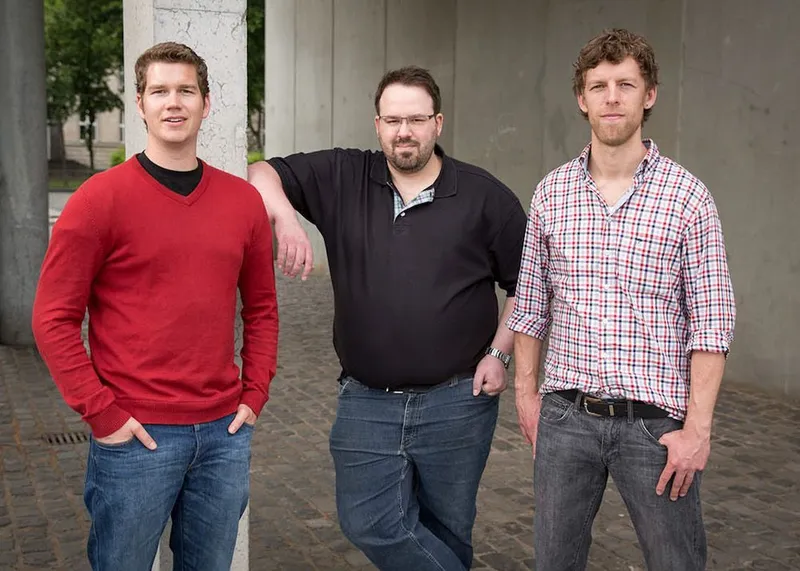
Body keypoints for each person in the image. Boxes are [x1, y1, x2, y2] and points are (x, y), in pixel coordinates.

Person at [248, 65, 526, 570]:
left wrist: (499, 352)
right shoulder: (342, 175)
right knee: (367, 521)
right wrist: (286, 216)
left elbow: (527, 284)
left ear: (437, 123)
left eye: (416, 120)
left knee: (448, 528)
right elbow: (260, 172)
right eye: (393, 120)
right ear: (377, 124)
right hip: (366, 401)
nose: (404, 132)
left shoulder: (487, 198)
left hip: (458, 401)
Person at [31, 42, 278, 571]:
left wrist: (254, 393)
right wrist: (101, 413)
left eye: (186, 90)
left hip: (223, 435)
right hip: (135, 435)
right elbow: (52, 317)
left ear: (206, 104)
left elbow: (261, 310)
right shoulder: (99, 200)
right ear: (139, 104)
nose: (174, 102)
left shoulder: (242, 202)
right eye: (159, 91)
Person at [508, 28, 736, 571]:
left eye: (626, 85)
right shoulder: (551, 193)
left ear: (649, 94)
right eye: (599, 85)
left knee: (676, 563)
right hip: (566, 418)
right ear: (581, 99)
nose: (612, 97)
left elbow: (712, 323)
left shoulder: (688, 197)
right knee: (553, 563)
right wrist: (526, 395)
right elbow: (531, 304)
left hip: (657, 430)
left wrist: (697, 431)